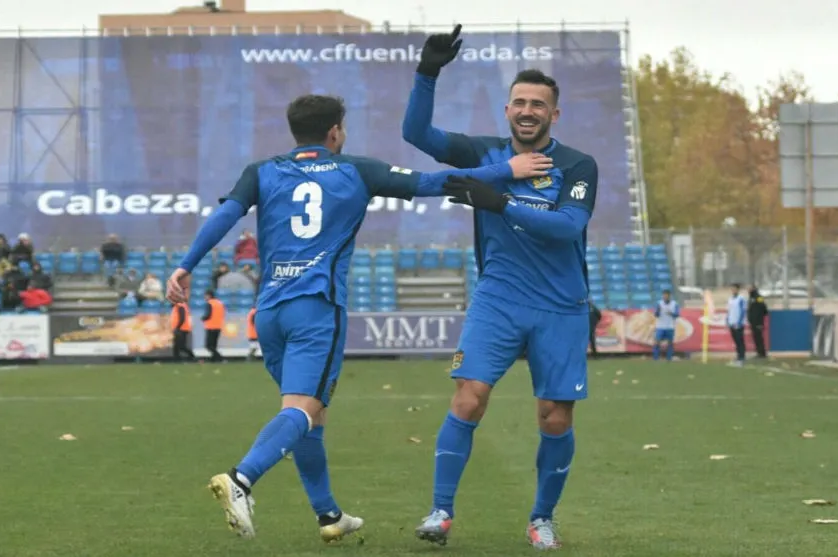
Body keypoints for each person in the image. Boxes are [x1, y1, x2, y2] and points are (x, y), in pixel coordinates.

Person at [164, 93, 549, 543]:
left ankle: (329, 516)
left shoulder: (262, 171)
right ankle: (241, 479)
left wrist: (185, 266)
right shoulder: (356, 170)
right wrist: (507, 169)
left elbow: (226, 215)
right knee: (303, 410)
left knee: (310, 413)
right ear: (335, 132)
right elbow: (434, 182)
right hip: (316, 308)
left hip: (268, 310)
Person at [401, 24, 599, 550]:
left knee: (554, 416)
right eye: (519, 102)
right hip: (498, 299)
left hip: (561, 306)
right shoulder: (484, 153)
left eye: (538, 103)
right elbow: (416, 135)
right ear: (507, 110)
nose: (528, 110)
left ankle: (541, 518)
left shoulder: (578, 165)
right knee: (468, 398)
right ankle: (440, 513)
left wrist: (500, 199)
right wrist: (427, 73)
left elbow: (567, 228)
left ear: (554, 114)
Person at [653, 289, 679, 361]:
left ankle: (669, 359)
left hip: (670, 326)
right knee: (657, 342)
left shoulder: (674, 304)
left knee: (670, 343)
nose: (665, 297)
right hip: (660, 326)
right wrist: (658, 311)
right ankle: (656, 358)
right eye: (664, 295)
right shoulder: (659, 303)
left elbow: (677, 315)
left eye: (666, 295)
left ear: (669, 296)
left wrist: (671, 313)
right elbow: (656, 315)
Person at [726, 283, 747, 366]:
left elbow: (743, 311)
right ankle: (738, 356)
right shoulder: (730, 299)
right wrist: (727, 320)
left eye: (734, 289)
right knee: (735, 341)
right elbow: (729, 310)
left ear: (738, 289)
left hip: (739, 324)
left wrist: (739, 322)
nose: (733, 290)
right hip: (731, 322)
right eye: (732, 289)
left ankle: (742, 357)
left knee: (740, 340)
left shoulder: (741, 299)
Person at [202, 290, 226, 362]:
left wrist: (203, 318)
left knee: (208, 346)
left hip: (210, 327)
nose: (204, 297)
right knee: (214, 346)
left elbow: (208, 315)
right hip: (218, 327)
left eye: (205, 295)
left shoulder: (209, 303)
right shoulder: (220, 303)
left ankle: (220, 358)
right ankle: (213, 360)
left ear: (209, 295)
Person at [747, 286, 769, 359]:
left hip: (758, 322)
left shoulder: (759, 297)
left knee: (759, 338)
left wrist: (759, 320)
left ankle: (762, 353)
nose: (748, 290)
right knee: (755, 337)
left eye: (750, 288)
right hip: (753, 322)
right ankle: (758, 352)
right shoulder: (750, 298)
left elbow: (763, 308)